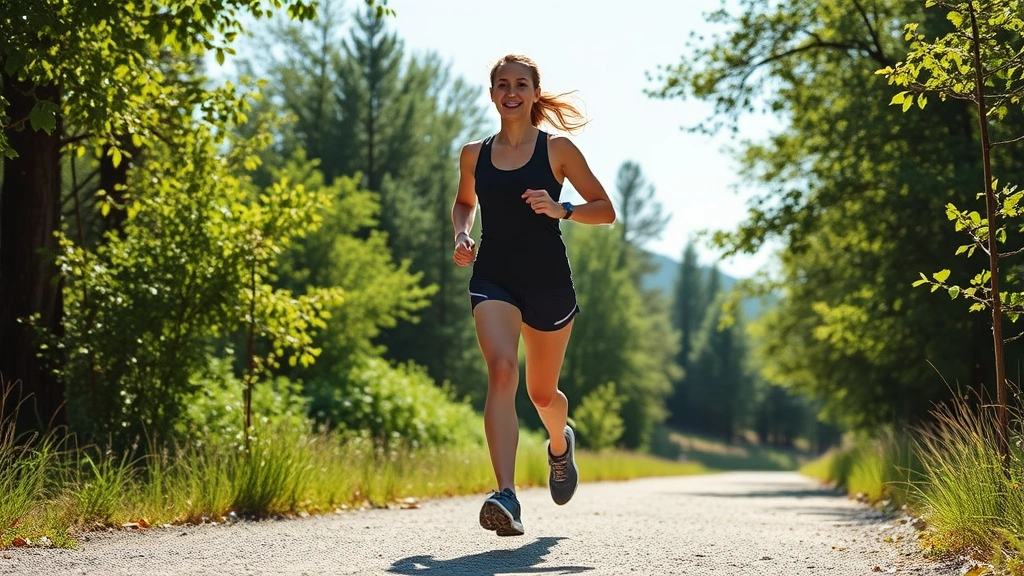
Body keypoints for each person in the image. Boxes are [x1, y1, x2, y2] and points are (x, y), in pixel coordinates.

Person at [451, 54, 616, 537]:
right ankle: (506, 495)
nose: (511, 92)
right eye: (502, 84)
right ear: (492, 94)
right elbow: (465, 203)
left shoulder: (558, 150)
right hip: (494, 276)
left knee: (542, 393)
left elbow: (605, 210)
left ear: (534, 93)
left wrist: (562, 208)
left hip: (548, 282)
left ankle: (559, 446)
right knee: (502, 370)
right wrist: (462, 234)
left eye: (520, 84)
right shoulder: (473, 154)